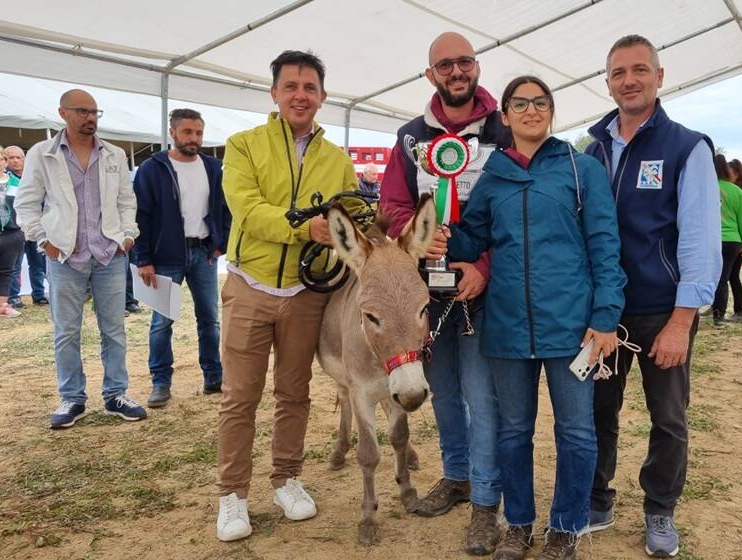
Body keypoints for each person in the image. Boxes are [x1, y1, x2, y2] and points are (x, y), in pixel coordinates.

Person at [448, 75, 626, 560]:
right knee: (513, 430)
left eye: (540, 102)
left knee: (576, 430)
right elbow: (473, 239)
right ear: (504, 116)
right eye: (519, 104)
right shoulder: (495, 173)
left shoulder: (580, 168)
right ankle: (520, 523)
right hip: (506, 325)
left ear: (551, 111)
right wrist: (444, 233)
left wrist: (606, 315)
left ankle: (566, 526)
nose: (531, 110)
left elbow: (605, 246)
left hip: (573, 327)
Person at [583, 35, 722, 558]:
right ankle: (597, 499)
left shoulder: (687, 147)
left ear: (660, 77)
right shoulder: (592, 148)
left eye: (640, 70)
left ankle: (659, 510)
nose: (629, 81)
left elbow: (700, 241)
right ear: (609, 82)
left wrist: (681, 321)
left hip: (662, 311)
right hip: (604, 313)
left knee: (668, 418)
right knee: (597, 410)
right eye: (619, 73)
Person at [215, 50, 358, 543]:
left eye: (310, 87)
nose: (301, 94)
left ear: (322, 96)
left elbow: (351, 218)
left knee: (294, 394)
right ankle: (232, 494)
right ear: (274, 92)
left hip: (305, 295)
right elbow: (247, 210)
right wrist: (304, 228)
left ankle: (286, 479)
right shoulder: (243, 146)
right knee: (240, 397)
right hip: (250, 287)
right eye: (291, 85)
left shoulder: (339, 161)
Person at [380, 31, 510, 555]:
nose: (456, 72)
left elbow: (521, 210)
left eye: (464, 62)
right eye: (445, 65)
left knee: (482, 395)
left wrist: (484, 264)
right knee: (444, 391)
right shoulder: (411, 136)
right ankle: (456, 476)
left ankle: (485, 500)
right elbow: (390, 203)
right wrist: (413, 230)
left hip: (485, 290)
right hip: (426, 294)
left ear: (476, 66)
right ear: (429, 74)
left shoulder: (507, 128)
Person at [15, 89, 146, 428]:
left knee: (114, 329)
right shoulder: (41, 153)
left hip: (110, 254)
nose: (90, 117)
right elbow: (26, 203)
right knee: (66, 332)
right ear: (63, 113)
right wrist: (45, 242)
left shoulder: (115, 153)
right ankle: (72, 398)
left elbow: (126, 200)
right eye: (82, 111)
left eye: (94, 112)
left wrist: (128, 235)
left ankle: (116, 393)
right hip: (64, 257)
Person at [132, 108, 230, 408]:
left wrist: (219, 244)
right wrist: (144, 259)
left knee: (210, 320)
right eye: (187, 132)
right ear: (173, 132)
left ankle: (214, 376)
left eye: (199, 133)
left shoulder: (213, 167)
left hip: (204, 254)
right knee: (162, 322)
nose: (194, 138)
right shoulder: (152, 168)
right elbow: (141, 217)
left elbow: (225, 208)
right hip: (164, 258)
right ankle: (161, 382)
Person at [709, 156, 742, 326]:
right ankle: (718, 317)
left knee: (709, 277)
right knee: (723, 279)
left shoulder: (705, 188)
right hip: (732, 241)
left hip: (709, 239)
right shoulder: (736, 191)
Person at [5, 146, 48, 308]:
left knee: (38, 263)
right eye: (11, 157)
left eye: (19, 157)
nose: (15, 160)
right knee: (15, 265)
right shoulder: (4, 179)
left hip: (36, 227)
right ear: (6, 160)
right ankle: (13, 296)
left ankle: (38, 294)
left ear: (25, 159)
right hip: (15, 229)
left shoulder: (35, 177)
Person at [0, 145, 24, 320]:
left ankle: (2, 305)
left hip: (13, 233)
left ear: (5, 161)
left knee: (6, 269)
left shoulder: (18, 183)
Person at [723, 159, 742, 323]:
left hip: (738, 241)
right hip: (735, 240)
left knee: (733, 276)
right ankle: (717, 306)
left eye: (728, 171)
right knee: (725, 276)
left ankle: (739, 310)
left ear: (736, 173)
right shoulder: (731, 189)